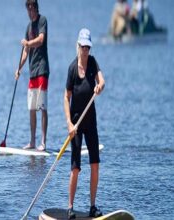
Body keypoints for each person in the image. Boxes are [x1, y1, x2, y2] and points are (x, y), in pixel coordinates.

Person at [64, 28, 105, 219]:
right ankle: (70, 207)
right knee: (76, 167)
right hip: (76, 125)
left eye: (88, 47)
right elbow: (66, 97)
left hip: (91, 123)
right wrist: (69, 124)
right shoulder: (72, 69)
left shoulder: (93, 62)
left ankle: (92, 206)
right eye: (83, 47)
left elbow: (102, 80)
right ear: (78, 46)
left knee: (95, 163)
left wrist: (99, 85)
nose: (86, 50)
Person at [15, 0, 50, 151]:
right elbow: (25, 52)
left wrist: (28, 44)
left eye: (32, 8)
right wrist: (19, 68)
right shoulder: (28, 27)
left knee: (42, 106)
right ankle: (32, 142)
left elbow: (41, 40)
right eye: (28, 9)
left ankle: (43, 142)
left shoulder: (42, 20)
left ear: (36, 8)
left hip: (42, 69)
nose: (30, 12)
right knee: (31, 108)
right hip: (32, 72)